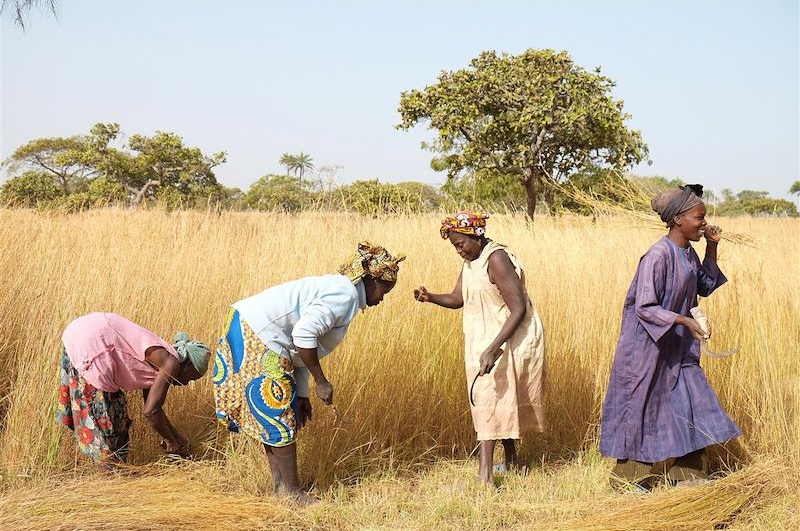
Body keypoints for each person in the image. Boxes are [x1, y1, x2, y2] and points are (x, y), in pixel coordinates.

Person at [213, 241, 404, 504]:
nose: (381, 300)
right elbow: (303, 336)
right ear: (371, 281)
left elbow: (298, 348)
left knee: (273, 414)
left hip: (245, 324)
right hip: (258, 333)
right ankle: (293, 494)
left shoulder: (339, 289)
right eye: (384, 291)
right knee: (277, 412)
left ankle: (281, 489)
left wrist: (302, 394)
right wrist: (321, 382)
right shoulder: (344, 295)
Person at [599, 184, 741, 491]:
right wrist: (684, 321)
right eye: (699, 217)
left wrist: (712, 247)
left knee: (691, 402)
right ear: (678, 219)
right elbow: (645, 307)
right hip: (648, 348)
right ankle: (629, 480)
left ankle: (688, 476)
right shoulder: (657, 256)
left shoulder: (688, 252)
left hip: (678, 346)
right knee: (644, 405)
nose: (704, 223)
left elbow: (703, 285)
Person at [414, 212, 545, 485]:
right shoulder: (471, 262)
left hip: (508, 339)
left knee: (487, 398)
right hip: (483, 338)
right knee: (500, 396)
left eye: (461, 243)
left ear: (477, 235)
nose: (459, 250)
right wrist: (430, 298)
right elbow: (457, 298)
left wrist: (493, 348)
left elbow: (518, 308)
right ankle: (511, 464)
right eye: (454, 246)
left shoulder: (496, 259)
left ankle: (485, 476)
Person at [57, 312, 210, 470]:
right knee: (109, 432)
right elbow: (150, 412)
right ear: (187, 365)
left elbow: (154, 408)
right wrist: (171, 442)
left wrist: (179, 440)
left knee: (117, 421)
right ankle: (109, 485)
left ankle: (113, 478)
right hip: (91, 347)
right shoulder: (171, 363)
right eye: (192, 377)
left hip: (80, 334)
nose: (187, 383)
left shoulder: (162, 359)